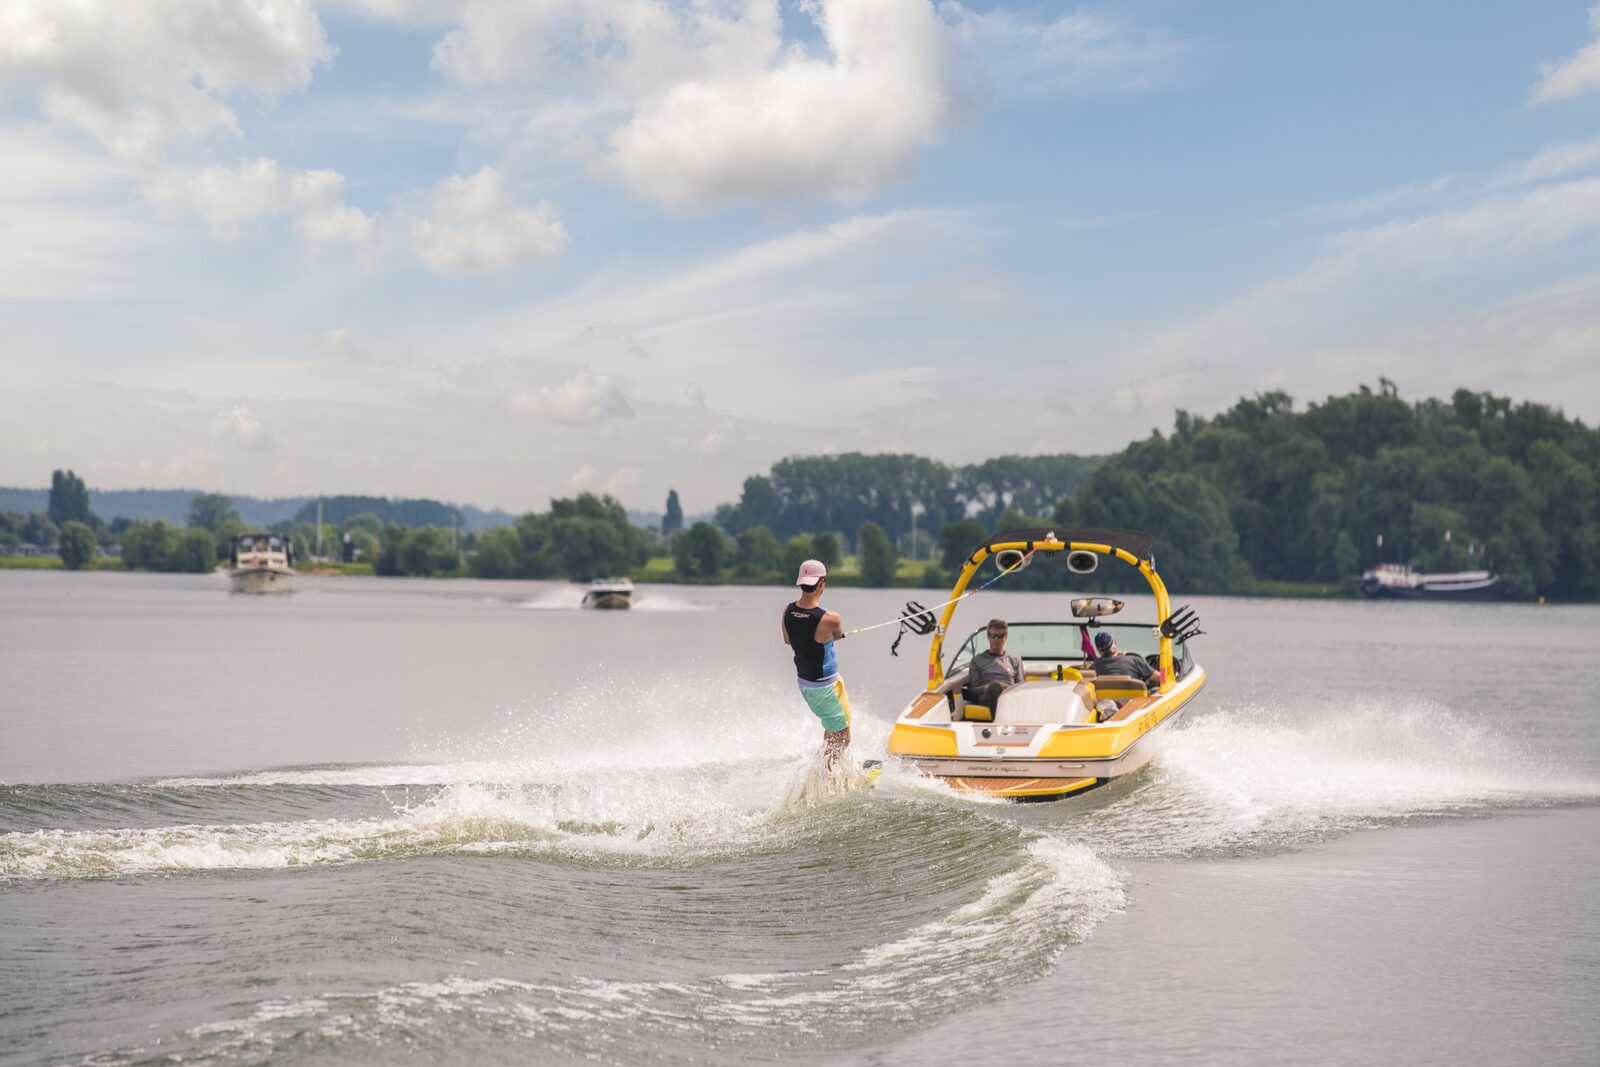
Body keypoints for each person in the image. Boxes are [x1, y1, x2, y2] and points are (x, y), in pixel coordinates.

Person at [781, 559, 851, 766]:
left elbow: (787, 640)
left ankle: (832, 769)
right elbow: (837, 635)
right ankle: (827, 779)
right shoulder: (830, 618)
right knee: (842, 738)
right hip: (823, 688)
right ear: (822, 582)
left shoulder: (788, 610)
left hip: (811, 683)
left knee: (835, 729)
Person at [964, 619, 1025, 711]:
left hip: (1009, 695)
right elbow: (972, 692)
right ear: (988, 637)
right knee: (995, 688)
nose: (996, 639)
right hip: (986, 697)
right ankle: (1000, 722)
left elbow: (1021, 687)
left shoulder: (1015, 659)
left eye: (1000, 636)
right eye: (993, 636)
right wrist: (987, 687)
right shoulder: (977, 660)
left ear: (1005, 637)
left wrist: (1008, 688)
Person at [1092, 630, 1159, 687]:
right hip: (1133, 701)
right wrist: (1164, 669)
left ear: (1098, 650)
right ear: (1114, 643)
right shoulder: (1134, 660)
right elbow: (1161, 678)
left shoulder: (1096, 665)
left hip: (1105, 701)